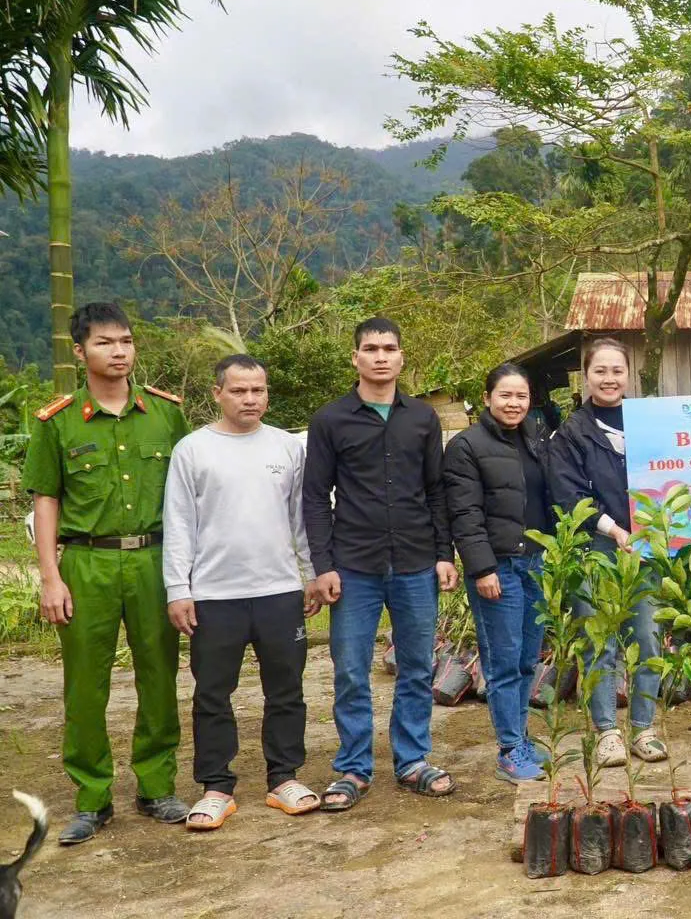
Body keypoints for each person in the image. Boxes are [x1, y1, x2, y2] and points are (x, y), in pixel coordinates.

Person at [21, 302, 191, 844]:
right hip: (86, 563)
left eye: (126, 341)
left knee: (160, 677)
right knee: (85, 687)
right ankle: (92, 798)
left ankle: (156, 786)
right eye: (104, 343)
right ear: (80, 351)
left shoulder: (167, 414)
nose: (118, 352)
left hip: (155, 560)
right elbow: (46, 499)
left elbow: (188, 497)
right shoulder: (60, 420)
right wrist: (51, 576)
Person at [303, 316, 459, 810]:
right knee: (351, 669)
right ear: (355, 358)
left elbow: (437, 491)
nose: (380, 356)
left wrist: (443, 554)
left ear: (401, 357)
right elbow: (313, 497)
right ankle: (353, 767)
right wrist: (323, 565)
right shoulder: (331, 420)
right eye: (370, 348)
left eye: (389, 348)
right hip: (353, 566)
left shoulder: (422, 419)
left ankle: (412, 760)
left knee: (416, 666)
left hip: (415, 562)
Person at [162, 355, 320, 830]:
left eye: (258, 390)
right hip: (214, 594)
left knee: (286, 689)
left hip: (278, 590)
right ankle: (215, 786)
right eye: (239, 391)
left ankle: (284, 777)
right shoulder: (192, 450)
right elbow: (179, 523)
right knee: (212, 692)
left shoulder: (288, 447)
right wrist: (178, 588)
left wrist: (311, 574)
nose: (250, 399)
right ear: (217, 394)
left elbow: (302, 519)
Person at [547, 338, 667, 767]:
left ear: (628, 373)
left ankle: (643, 727)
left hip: (646, 546)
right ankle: (607, 732)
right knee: (600, 641)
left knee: (648, 636)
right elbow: (567, 494)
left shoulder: (650, 423)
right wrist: (614, 530)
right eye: (600, 371)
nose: (609, 378)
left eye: (617, 370)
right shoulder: (571, 432)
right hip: (598, 546)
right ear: (586, 375)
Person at [443, 363, 553, 783]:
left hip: (535, 563)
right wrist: (482, 567)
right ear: (488, 398)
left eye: (521, 396)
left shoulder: (535, 441)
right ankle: (509, 750)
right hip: (497, 569)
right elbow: (464, 513)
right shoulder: (466, 446)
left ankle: (521, 737)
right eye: (505, 395)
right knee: (504, 661)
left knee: (527, 658)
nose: (514, 403)